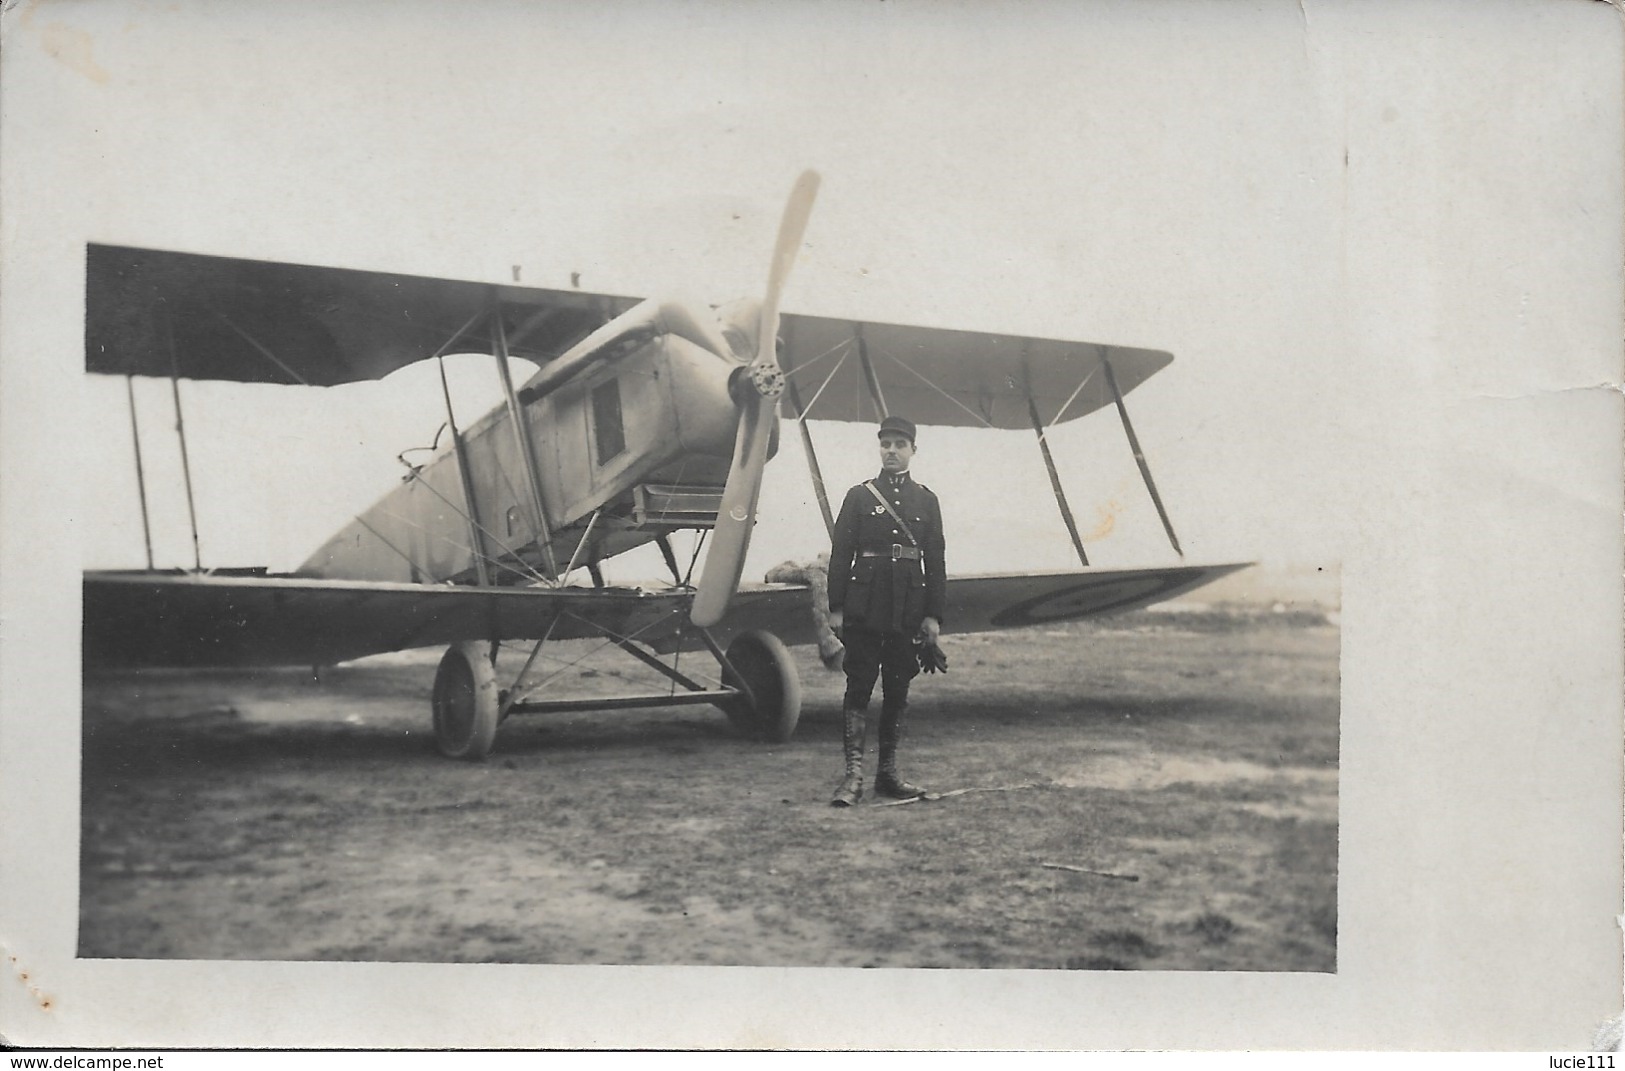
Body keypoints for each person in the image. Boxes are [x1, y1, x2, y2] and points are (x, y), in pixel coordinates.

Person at [826, 415, 946, 806]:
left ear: (913, 449)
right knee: (859, 686)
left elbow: (936, 561)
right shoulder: (859, 496)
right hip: (864, 606)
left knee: (898, 688)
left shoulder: (926, 500)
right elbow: (841, 555)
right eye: (886, 444)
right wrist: (837, 608)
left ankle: (888, 774)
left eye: (899, 444)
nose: (891, 451)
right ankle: (853, 777)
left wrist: (933, 616)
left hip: (907, 609)